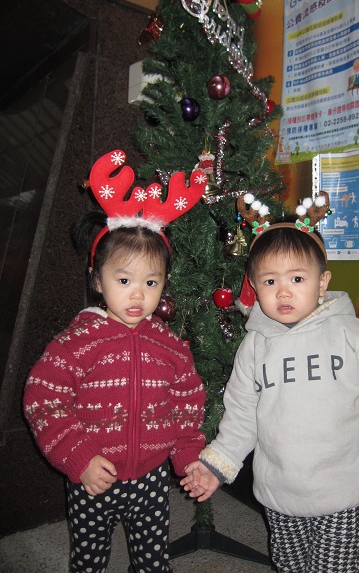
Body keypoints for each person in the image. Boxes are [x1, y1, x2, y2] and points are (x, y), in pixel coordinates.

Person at [181, 197, 359, 573]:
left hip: (341, 487)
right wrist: (217, 465)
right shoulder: (254, 347)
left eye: (297, 279)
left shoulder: (351, 334)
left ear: (322, 282)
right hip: (280, 491)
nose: (284, 292)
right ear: (254, 286)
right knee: (289, 563)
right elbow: (241, 414)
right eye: (270, 281)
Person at [23, 150, 207, 573]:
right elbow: (42, 400)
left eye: (151, 282)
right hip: (93, 477)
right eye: (123, 280)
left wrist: (187, 454)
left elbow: (187, 402)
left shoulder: (170, 345)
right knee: (89, 561)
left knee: (153, 561)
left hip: (152, 480)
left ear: (164, 283)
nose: (138, 294)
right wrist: (79, 456)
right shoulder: (76, 342)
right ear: (97, 279)